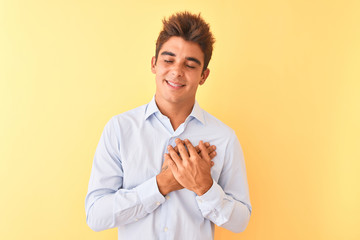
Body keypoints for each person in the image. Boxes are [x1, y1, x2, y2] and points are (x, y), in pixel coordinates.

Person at [85, 11, 251, 240]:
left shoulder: (224, 138)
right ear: (154, 64)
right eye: (168, 60)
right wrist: (161, 185)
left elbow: (241, 221)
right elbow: (96, 215)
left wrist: (205, 187)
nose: (176, 71)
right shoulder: (120, 129)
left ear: (203, 75)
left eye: (190, 65)